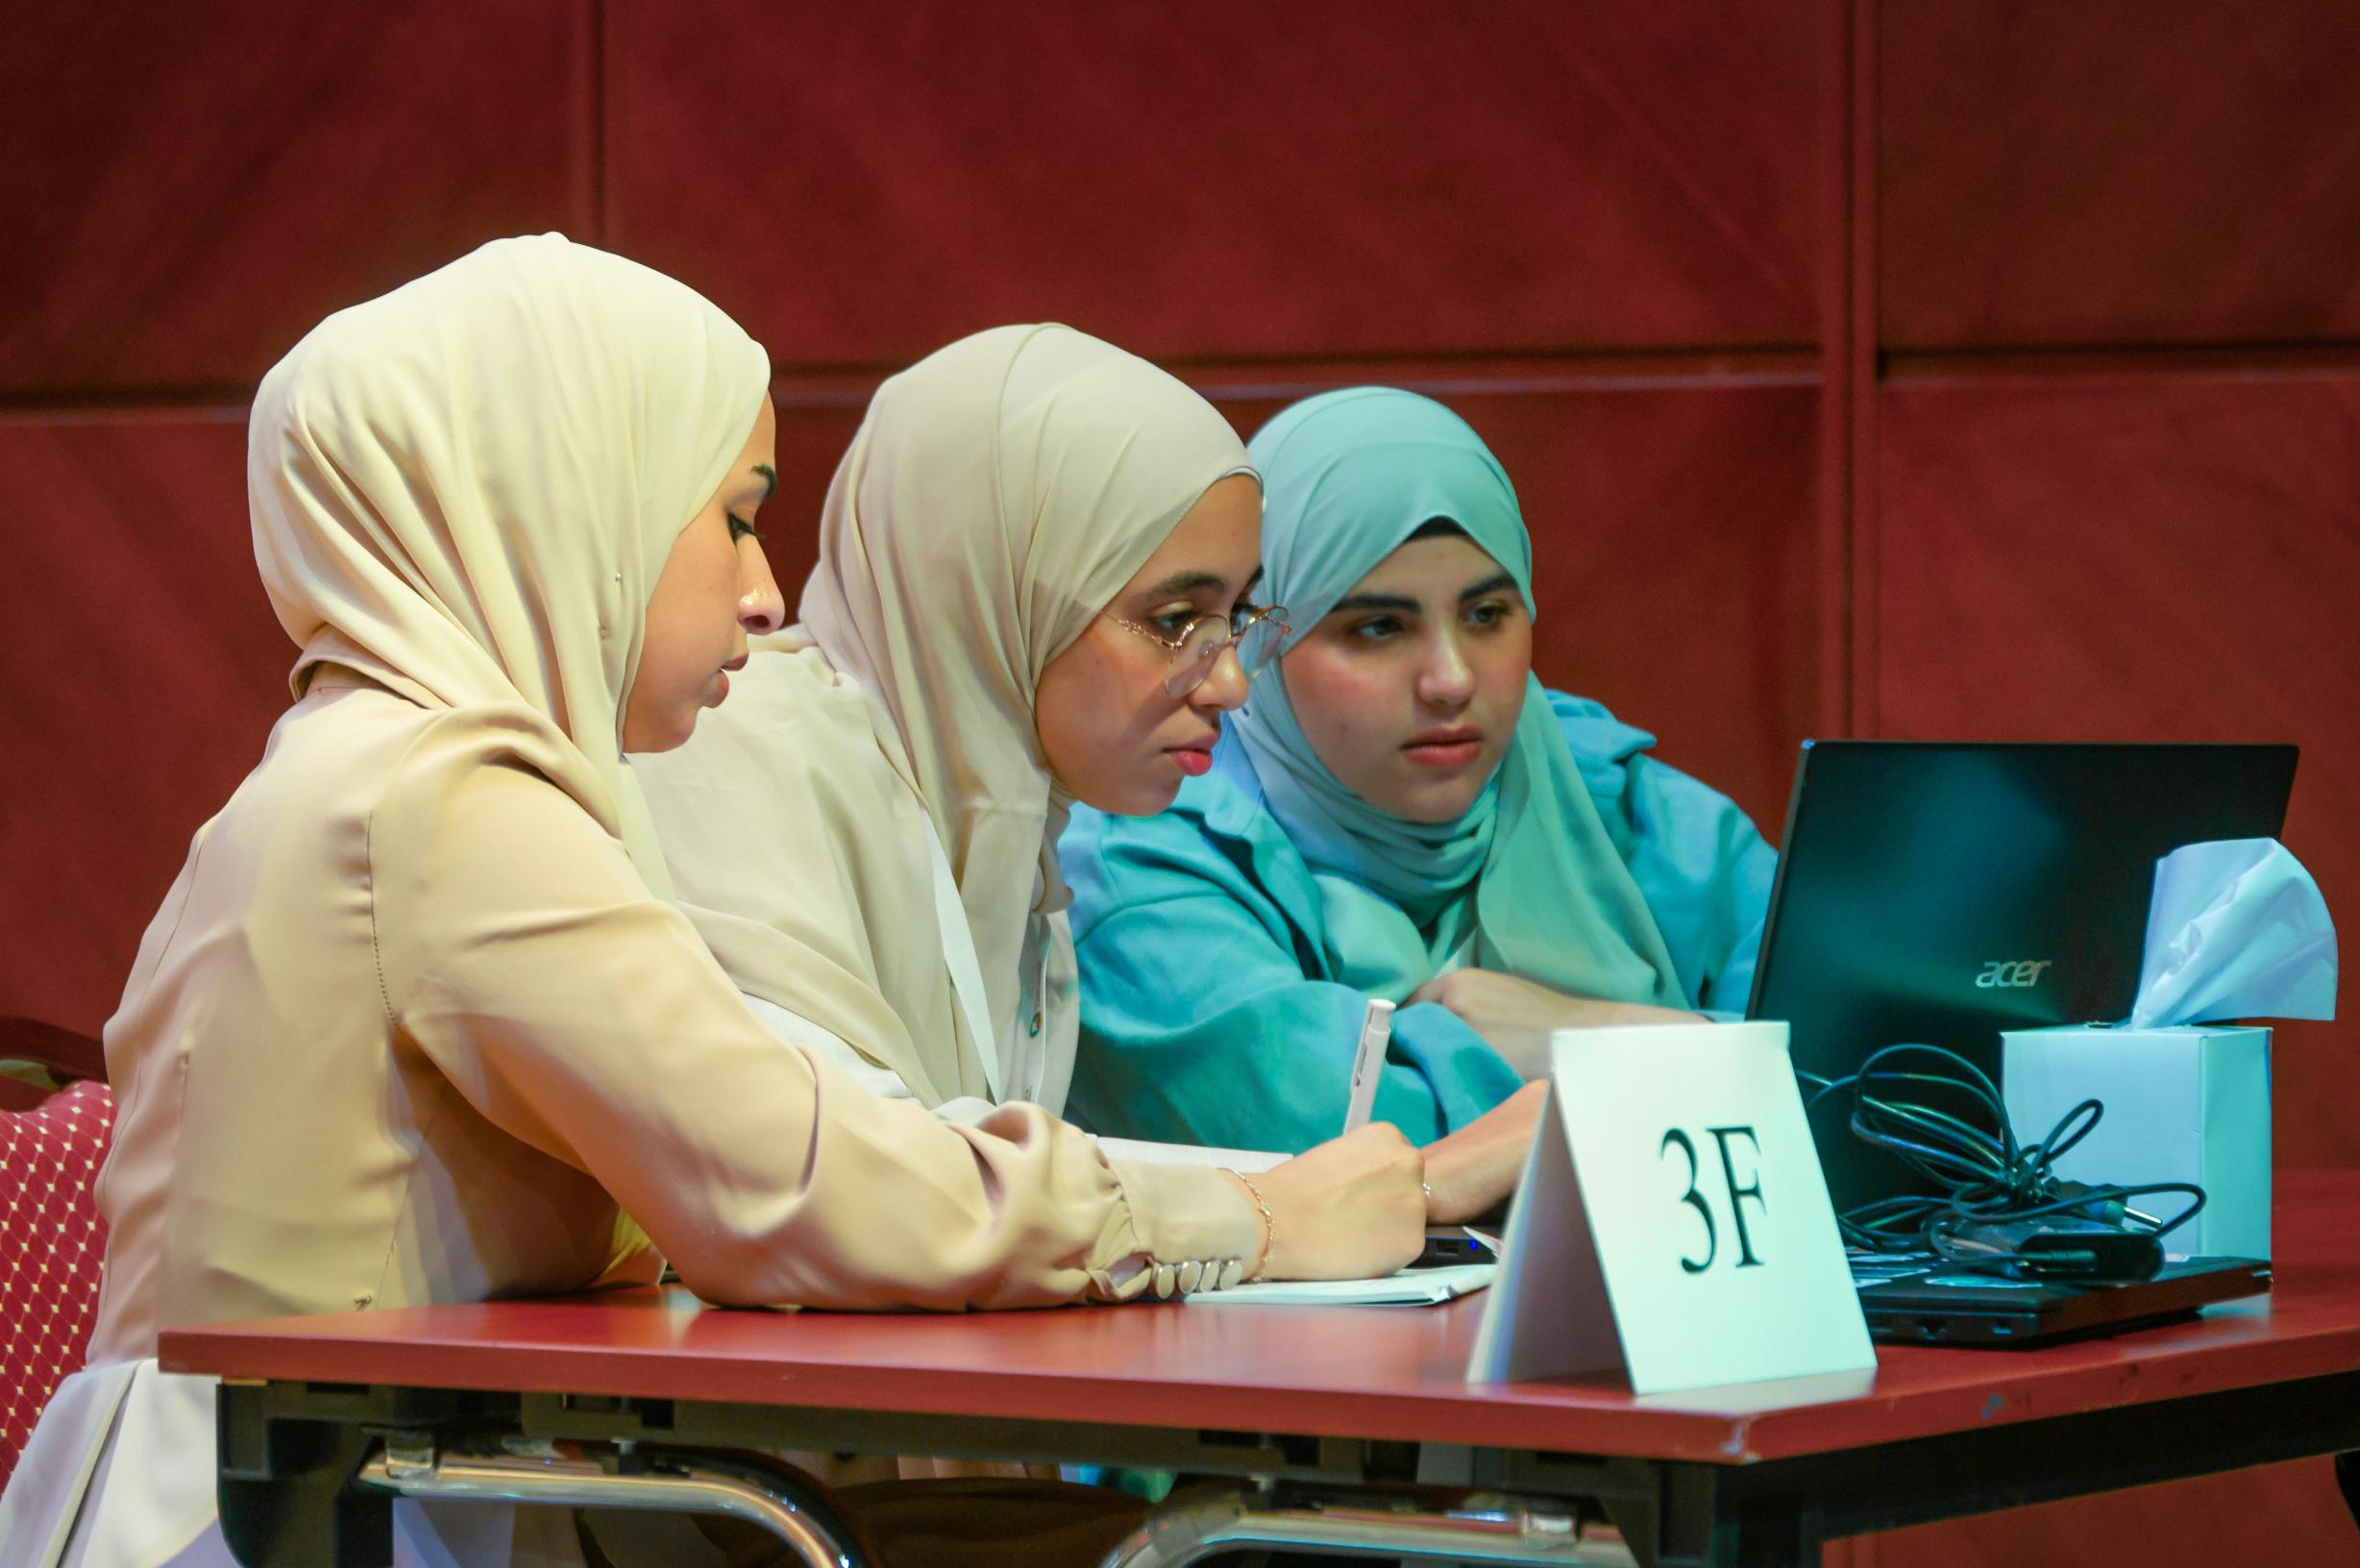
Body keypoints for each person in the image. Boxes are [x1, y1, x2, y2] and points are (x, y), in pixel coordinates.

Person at [0, 243, 1427, 1568]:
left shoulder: (364, 766)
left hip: (347, 1494)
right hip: (310, 1523)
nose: (764, 594)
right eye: (735, 519)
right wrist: (1256, 1217)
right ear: (576, 504)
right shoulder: (442, 800)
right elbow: (800, 1184)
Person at [635, 331, 1538, 1220]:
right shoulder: (732, 755)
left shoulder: (1021, 851)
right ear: (995, 587)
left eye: (1237, 616)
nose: (1230, 682)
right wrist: (1335, 1202)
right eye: (1176, 620)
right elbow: (855, 1185)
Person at [1060, 387, 1776, 1155]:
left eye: (1486, 616)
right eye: (1378, 627)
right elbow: (1345, 1141)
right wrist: (1701, 1060)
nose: (1451, 681)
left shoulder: (1623, 810)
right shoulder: (1141, 860)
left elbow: (1861, 1090)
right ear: (1259, 642)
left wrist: (1588, 1032)